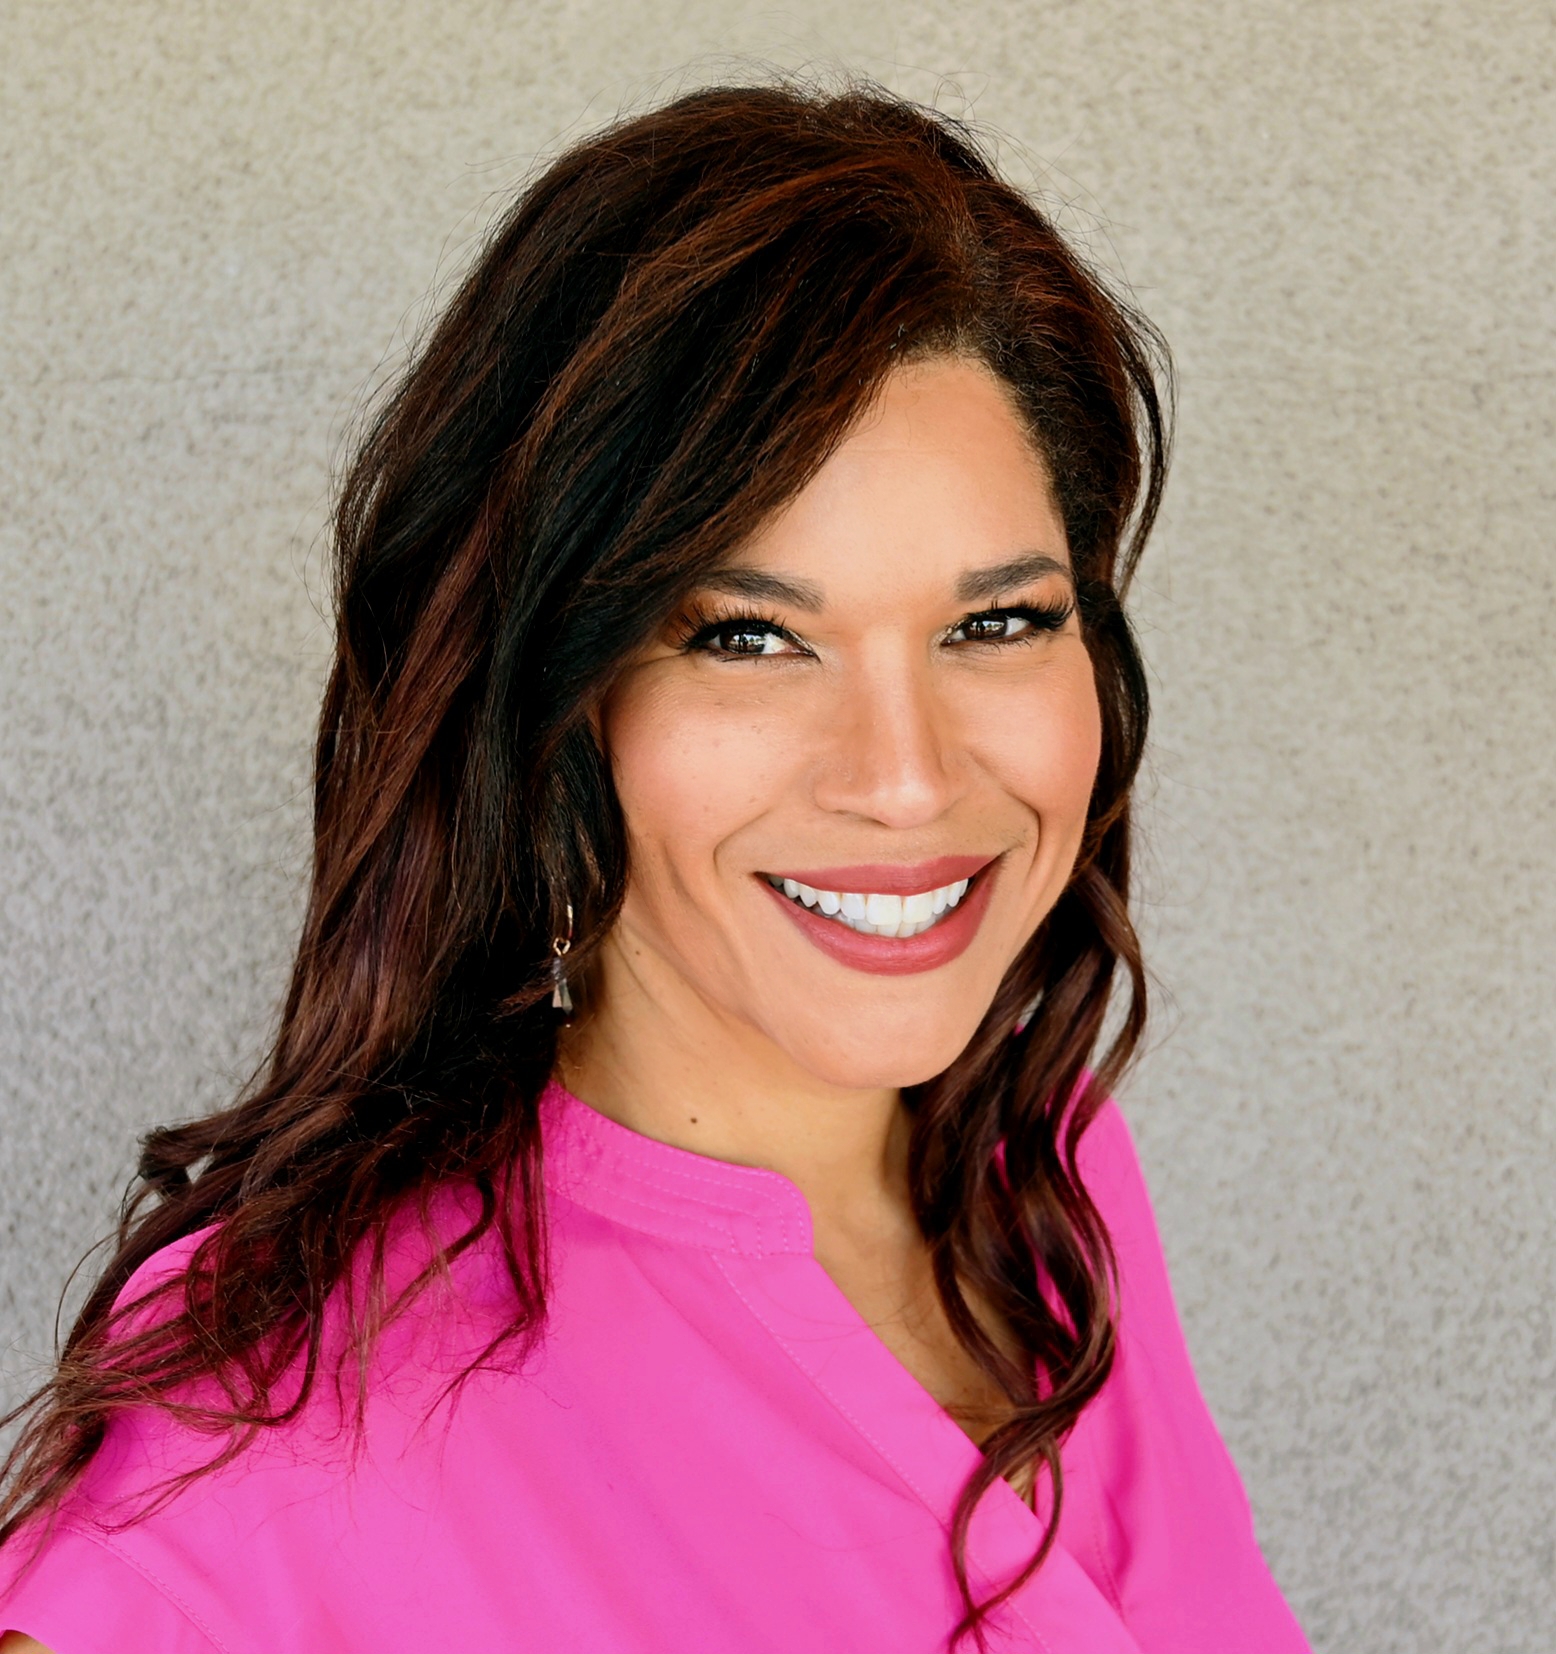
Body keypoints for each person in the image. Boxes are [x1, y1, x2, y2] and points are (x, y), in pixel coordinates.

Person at [0, 82, 1310, 1654]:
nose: (905, 777)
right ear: (556, 704)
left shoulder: (1053, 1171)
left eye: (997, 622)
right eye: (751, 637)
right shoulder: (286, 1414)